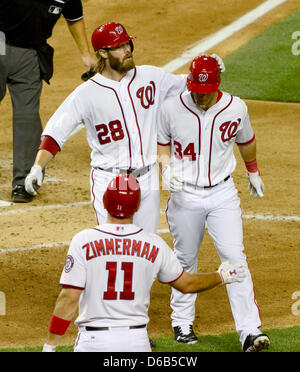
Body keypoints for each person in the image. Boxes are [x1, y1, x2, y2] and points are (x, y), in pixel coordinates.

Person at [24, 22, 225, 233]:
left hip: (147, 179)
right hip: (109, 181)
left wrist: (211, 69)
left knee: (145, 246)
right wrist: (38, 166)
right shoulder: (86, 94)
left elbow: (191, 84)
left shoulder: (151, 77)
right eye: (119, 47)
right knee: (115, 245)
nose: (127, 50)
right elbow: (56, 132)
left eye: (127, 44)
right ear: (103, 53)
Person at [42, 173, 246, 352]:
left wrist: (50, 345)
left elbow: (69, 298)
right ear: (138, 206)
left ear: (104, 202)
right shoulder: (154, 244)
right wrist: (222, 276)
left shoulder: (83, 241)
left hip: (94, 341)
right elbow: (187, 284)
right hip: (137, 342)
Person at [157, 55, 270, 352]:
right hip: (185, 195)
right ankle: (181, 321)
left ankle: (249, 330)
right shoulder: (171, 107)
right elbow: (162, 142)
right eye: (195, 89)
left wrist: (253, 171)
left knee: (235, 257)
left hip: (223, 194)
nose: (200, 96)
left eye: (206, 92)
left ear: (218, 85)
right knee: (184, 257)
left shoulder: (236, 107)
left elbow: (246, 140)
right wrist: (165, 168)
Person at [0, 0, 96, 203]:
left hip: (30, 53)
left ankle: (24, 182)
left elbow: (74, 17)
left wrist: (86, 54)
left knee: (27, 116)